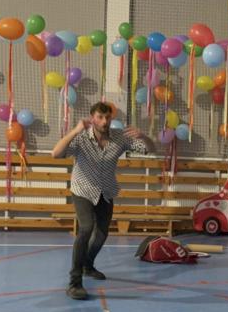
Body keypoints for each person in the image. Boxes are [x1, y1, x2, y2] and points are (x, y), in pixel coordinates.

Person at [51, 102, 155, 300]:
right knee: (86, 228)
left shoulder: (119, 138)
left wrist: (144, 136)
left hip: (105, 191)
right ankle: (74, 283)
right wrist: (76, 130)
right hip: (82, 190)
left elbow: (149, 149)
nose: (104, 121)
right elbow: (55, 153)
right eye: (100, 117)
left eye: (107, 117)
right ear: (92, 118)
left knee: (101, 234)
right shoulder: (81, 138)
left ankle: (88, 266)